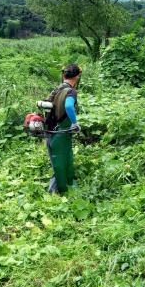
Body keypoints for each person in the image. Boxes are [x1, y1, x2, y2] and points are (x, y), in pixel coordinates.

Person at [45, 64, 81, 194]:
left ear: (63, 75)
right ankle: (62, 190)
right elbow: (69, 106)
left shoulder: (58, 89)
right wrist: (74, 123)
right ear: (77, 77)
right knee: (59, 162)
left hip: (52, 130)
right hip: (60, 131)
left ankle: (70, 182)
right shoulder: (71, 91)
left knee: (67, 156)